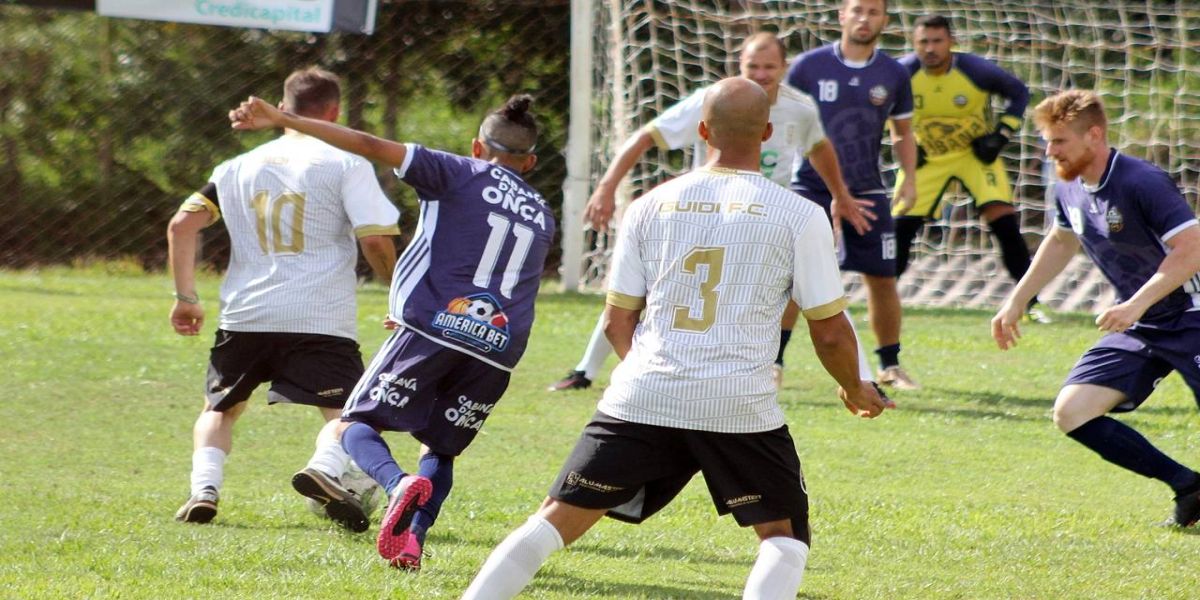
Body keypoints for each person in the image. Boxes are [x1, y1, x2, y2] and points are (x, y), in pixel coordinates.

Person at [463, 77, 888, 600]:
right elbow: (828, 331)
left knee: (554, 521)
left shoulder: (647, 205)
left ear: (703, 131)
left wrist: (651, 371)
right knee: (783, 538)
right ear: (769, 132)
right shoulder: (798, 214)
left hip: (644, 393)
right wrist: (853, 385)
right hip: (738, 404)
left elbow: (618, 322)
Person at [229, 93, 555, 568]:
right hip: (498, 348)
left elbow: (366, 143)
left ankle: (396, 484)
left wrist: (284, 119)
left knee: (353, 424)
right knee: (440, 449)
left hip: (434, 329)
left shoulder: (456, 171)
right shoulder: (542, 211)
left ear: (477, 147)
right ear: (529, 162)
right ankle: (412, 541)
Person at [549, 31, 877, 392]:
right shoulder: (712, 101)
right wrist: (606, 188)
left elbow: (819, 147)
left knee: (816, 288)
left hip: (763, 220)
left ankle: (865, 379)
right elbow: (646, 135)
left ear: (785, 68)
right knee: (648, 287)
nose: (762, 74)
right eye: (753, 66)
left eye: (770, 66)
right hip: (706, 213)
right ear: (740, 66)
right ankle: (586, 370)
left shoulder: (799, 108)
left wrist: (840, 195)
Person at [168, 67, 400, 525]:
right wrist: (399, 294)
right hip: (318, 316)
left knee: (221, 408)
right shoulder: (346, 163)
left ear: (283, 107)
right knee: (347, 411)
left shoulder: (235, 167)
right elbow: (374, 240)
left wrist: (185, 296)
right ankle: (323, 469)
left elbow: (181, 225)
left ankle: (204, 491)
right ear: (334, 111)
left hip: (246, 314)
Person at [992, 90, 1200, 527]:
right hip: (1143, 322)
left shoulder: (1141, 181)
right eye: (1047, 141)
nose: (1050, 151)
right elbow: (1062, 240)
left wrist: (1136, 303)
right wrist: (1017, 299)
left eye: (1059, 141)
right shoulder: (1068, 184)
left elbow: (1192, 249)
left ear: (1094, 135)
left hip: (1191, 314)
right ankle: (1190, 487)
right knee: (1073, 411)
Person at [786, 0, 923, 390]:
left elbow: (902, 132)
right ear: (842, 15)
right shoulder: (809, 67)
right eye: (858, 10)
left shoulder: (894, 73)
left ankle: (890, 366)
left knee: (882, 277)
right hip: (809, 187)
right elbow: (784, 124)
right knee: (794, 276)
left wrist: (910, 179)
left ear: (884, 19)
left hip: (867, 188)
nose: (865, 18)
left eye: (874, 12)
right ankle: (774, 361)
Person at [893, 15, 1050, 323]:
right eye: (923, 42)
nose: (930, 49)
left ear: (951, 42)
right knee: (900, 229)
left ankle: (1031, 304)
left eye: (937, 41)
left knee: (1003, 222)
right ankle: (882, 301)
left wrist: (1001, 134)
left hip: (973, 156)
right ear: (914, 44)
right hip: (926, 159)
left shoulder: (975, 71)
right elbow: (880, 106)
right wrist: (905, 146)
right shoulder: (901, 73)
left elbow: (1019, 92)